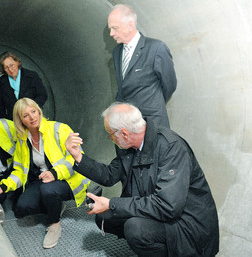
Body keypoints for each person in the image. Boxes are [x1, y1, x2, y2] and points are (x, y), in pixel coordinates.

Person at [65, 102, 219, 256]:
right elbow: (109, 175)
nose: (110, 138)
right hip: (156, 208)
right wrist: (78, 156)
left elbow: (168, 206)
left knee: (135, 229)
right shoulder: (130, 147)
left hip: (187, 222)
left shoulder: (171, 147)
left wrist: (111, 203)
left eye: (110, 134)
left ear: (124, 133)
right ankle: (151, 247)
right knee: (105, 217)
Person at [0, 98, 90, 249]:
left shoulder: (59, 129)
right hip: (42, 180)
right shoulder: (22, 140)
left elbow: (76, 159)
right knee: (21, 208)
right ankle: (56, 206)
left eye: (33, 111)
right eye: (25, 115)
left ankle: (54, 223)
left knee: (48, 190)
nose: (32, 117)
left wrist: (55, 173)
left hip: (69, 179)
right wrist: (4, 186)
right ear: (20, 121)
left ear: (39, 111)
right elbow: (20, 169)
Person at [108, 4, 177, 128]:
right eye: (110, 28)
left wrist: (153, 104)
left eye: (115, 28)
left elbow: (169, 85)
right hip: (125, 125)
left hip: (151, 123)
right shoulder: (116, 52)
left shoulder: (156, 48)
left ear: (130, 25)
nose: (111, 33)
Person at [0, 51, 48, 120]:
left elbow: (42, 95)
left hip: (33, 118)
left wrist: (32, 110)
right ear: (3, 69)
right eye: (6, 67)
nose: (10, 69)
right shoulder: (1, 82)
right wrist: (6, 120)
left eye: (12, 65)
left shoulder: (32, 76)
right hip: (14, 121)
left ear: (17, 62)